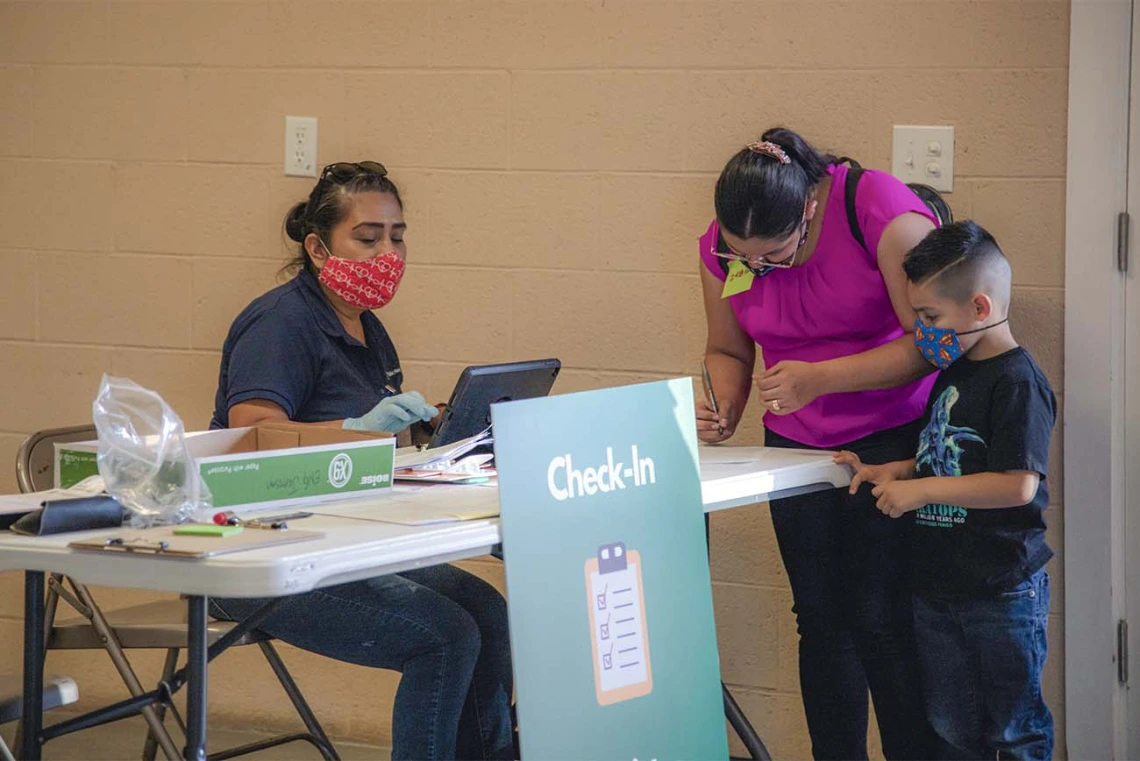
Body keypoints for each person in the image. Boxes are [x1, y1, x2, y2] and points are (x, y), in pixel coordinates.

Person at [208, 161, 514, 761]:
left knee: (487, 610)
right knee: (445, 638)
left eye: (397, 236)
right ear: (319, 248)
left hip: (340, 541)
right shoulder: (282, 324)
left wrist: (430, 428)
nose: (388, 253)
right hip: (256, 555)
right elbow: (249, 432)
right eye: (368, 238)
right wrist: (355, 430)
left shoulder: (366, 328)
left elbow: (370, 450)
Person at [695, 127, 940, 759]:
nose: (756, 267)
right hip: (794, 447)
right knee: (821, 619)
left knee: (883, 618)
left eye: (772, 254)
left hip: (892, 439)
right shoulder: (726, 250)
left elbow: (936, 343)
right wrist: (725, 409)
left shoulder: (878, 210)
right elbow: (727, 348)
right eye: (741, 255)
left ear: (808, 209)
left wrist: (822, 378)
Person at [836, 221, 1055, 758]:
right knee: (952, 729)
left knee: (1013, 731)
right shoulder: (955, 372)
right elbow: (952, 455)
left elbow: (1016, 484)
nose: (922, 331)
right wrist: (902, 471)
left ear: (980, 308)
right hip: (939, 591)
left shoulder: (1018, 382)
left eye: (930, 318)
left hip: (999, 592)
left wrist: (924, 492)